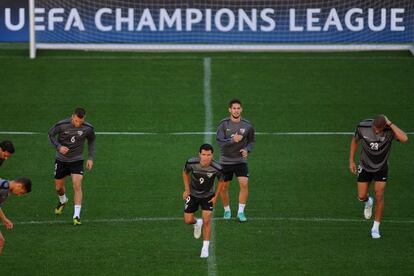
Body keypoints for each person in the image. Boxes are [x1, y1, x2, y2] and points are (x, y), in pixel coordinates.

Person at [349, 115, 408, 239]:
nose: (376, 131)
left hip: (381, 167)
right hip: (364, 165)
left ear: (384, 126)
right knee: (361, 196)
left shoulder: (389, 131)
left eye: (379, 129)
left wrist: (390, 123)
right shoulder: (363, 126)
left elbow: (404, 139)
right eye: (375, 128)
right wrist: (351, 160)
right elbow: (355, 140)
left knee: (379, 194)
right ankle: (368, 202)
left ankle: (375, 227)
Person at [48, 107, 96, 225]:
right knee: (58, 188)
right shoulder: (62, 124)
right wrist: (59, 147)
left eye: (81, 122)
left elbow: (91, 140)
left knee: (77, 185)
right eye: (76, 121)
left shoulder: (88, 128)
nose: (78, 124)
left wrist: (90, 157)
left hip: (77, 160)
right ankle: (63, 200)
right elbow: (51, 135)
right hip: (61, 160)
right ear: (72, 116)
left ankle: (76, 216)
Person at [216, 99, 255, 222]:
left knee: (244, 184)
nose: (236, 110)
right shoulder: (223, 124)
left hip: (240, 160)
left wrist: (247, 150)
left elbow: (251, 140)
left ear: (241, 109)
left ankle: (240, 212)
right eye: (234, 108)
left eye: (238, 108)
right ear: (230, 110)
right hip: (225, 161)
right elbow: (220, 142)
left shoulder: (247, 125)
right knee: (223, 187)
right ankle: (227, 210)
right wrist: (233, 140)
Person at [183, 144, 224, 258]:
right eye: (204, 154)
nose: (206, 157)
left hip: (208, 196)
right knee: (187, 220)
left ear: (212, 155)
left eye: (208, 155)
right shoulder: (191, 163)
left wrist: (216, 196)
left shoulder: (217, 168)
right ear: (199, 154)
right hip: (193, 194)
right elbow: (185, 173)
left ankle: (205, 248)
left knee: (207, 220)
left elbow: (221, 182)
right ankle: (197, 223)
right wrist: (187, 189)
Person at [0, 177, 32, 254]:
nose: (19, 195)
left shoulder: (5, 188)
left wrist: (4, 219)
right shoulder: (3, 188)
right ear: (19, 185)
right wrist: (4, 219)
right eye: (22, 192)